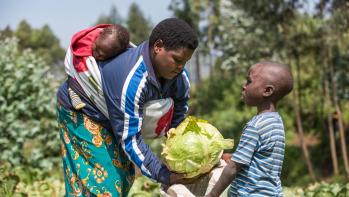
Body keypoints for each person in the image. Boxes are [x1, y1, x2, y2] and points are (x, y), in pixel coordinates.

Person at [57, 18, 199, 196]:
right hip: (83, 111)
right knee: (102, 187)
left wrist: (200, 157)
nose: (180, 67)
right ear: (158, 47)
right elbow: (130, 138)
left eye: (185, 62)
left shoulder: (180, 78)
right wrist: (164, 175)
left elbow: (177, 122)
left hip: (114, 118)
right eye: (177, 59)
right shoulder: (132, 80)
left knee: (123, 178)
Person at [205, 61, 294, 197]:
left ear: (267, 91)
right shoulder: (276, 122)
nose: (244, 86)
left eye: (249, 81)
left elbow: (233, 168)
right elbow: (262, 159)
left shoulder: (255, 126)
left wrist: (213, 195)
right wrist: (233, 156)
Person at [66, 24, 130, 110]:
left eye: (101, 55)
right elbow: (76, 63)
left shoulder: (119, 60)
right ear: (99, 34)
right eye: (95, 46)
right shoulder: (85, 41)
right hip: (74, 72)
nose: (95, 54)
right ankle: (73, 92)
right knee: (72, 79)